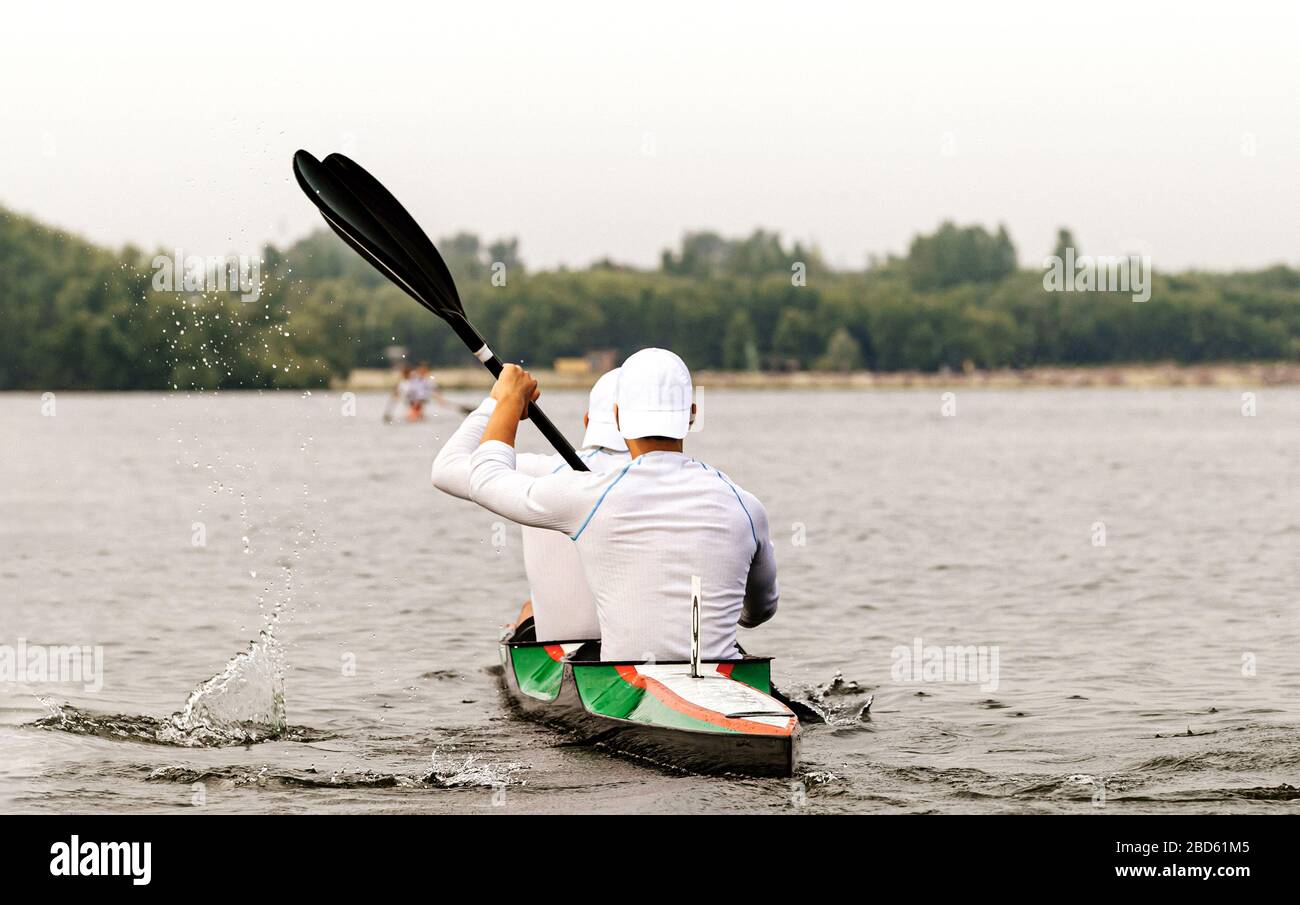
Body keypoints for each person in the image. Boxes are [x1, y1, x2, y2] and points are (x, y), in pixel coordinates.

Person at [440, 348, 779, 662]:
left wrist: (506, 403)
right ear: (692, 415)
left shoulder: (589, 494)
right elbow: (760, 612)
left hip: (622, 678)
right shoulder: (745, 503)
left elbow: (484, 479)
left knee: (531, 612)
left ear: (618, 417)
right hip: (722, 669)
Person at [431, 369, 630, 640]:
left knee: (529, 610)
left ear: (587, 421)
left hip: (565, 642)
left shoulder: (544, 471)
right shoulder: (689, 482)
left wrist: (500, 400)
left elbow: (445, 469)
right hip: (643, 646)